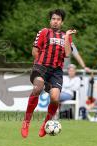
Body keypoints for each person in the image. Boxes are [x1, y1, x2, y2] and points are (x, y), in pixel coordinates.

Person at [21, 9, 76, 138]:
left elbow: (67, 54)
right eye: (53, 19)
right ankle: (26, 121)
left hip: (56, 71)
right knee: (38, 87)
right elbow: (35, 51)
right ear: (50, 20)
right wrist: (39, 63)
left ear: (62, 22)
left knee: (55, 98)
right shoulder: (44, 32)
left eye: (58, 19)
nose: (55, 21)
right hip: (41, 67)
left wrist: (67, 36)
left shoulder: (66, 36)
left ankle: (46, 123)